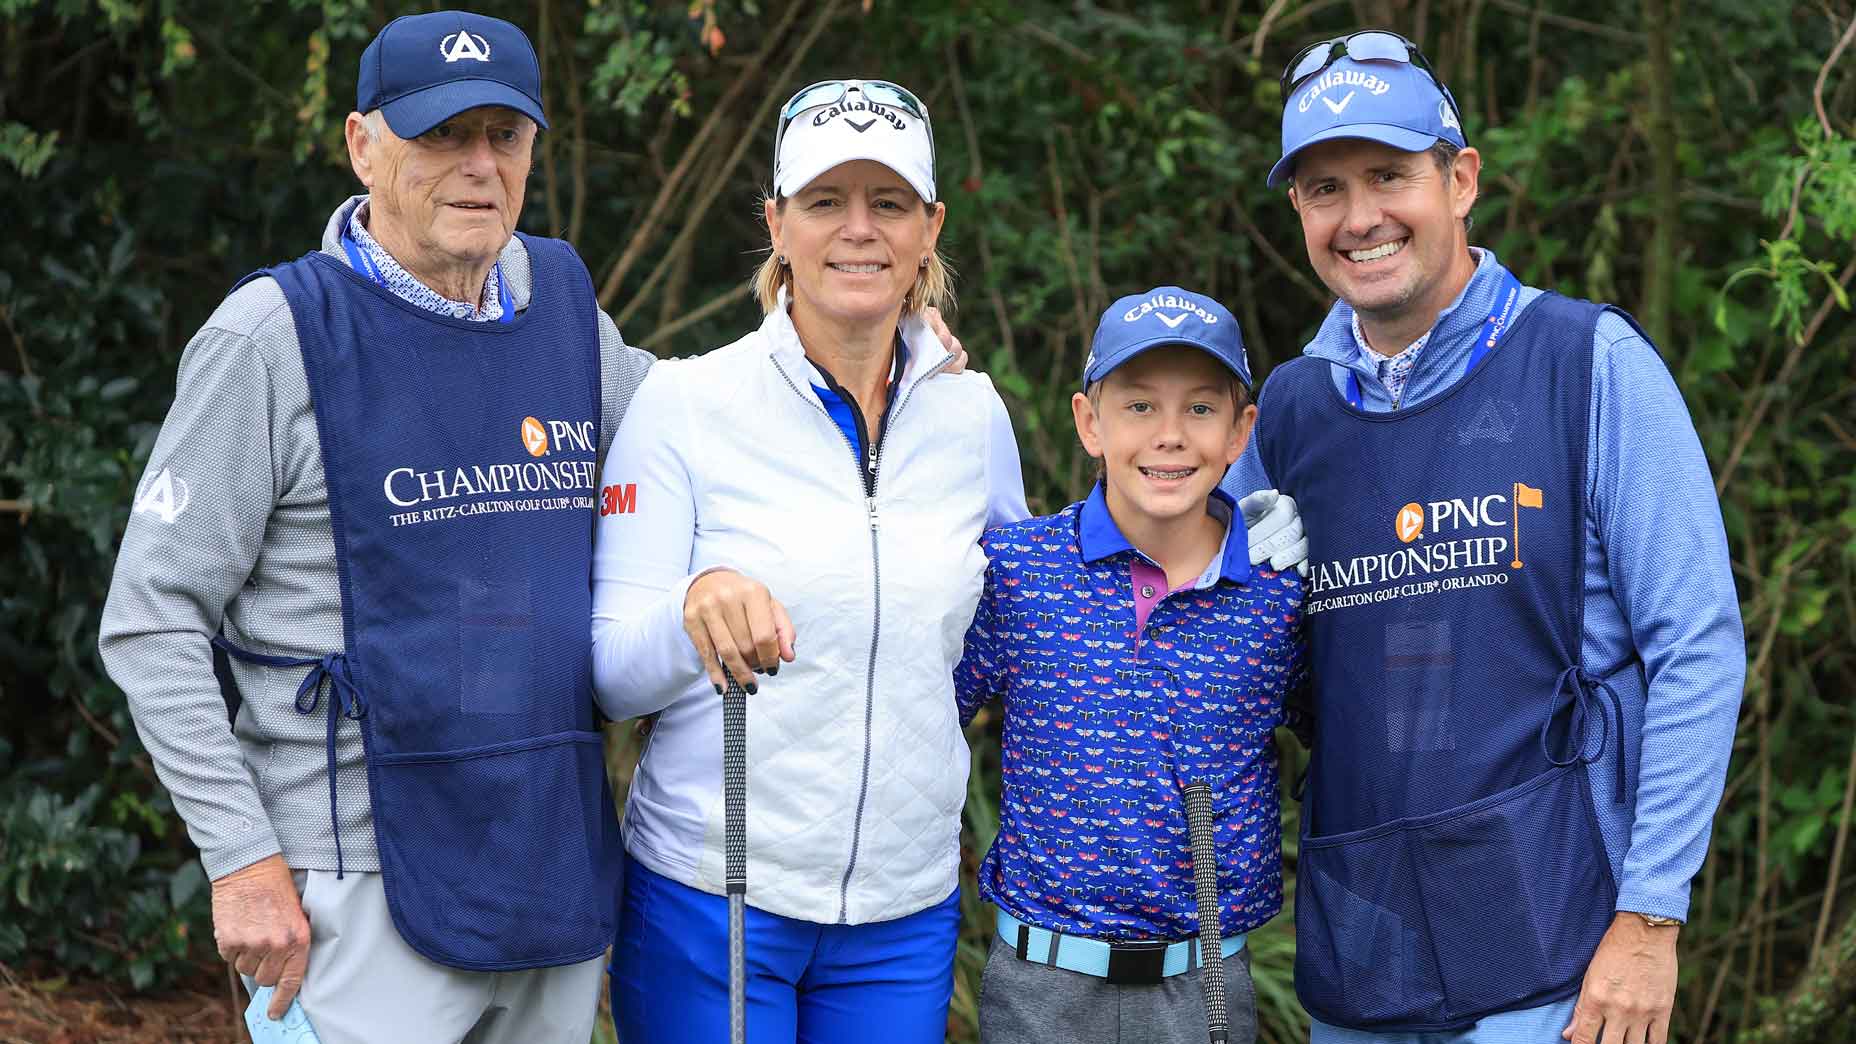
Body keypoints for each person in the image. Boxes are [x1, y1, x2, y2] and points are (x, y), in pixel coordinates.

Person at [98, 13, 646, 1043]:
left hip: (548, 861)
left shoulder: (569, 315)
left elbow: (708, 440)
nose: (478, 164)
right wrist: (242, 859)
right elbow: (151, 618)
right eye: (441, 133)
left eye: (504, 135)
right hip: (349, 879)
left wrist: (881, 352)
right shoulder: (272, 338)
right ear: (361, 144)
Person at [1221, 30, 1745, 1044]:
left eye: (1388, 175)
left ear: (1459, 181)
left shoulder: (1585, 363)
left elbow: (1697, 648)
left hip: (1558, 946)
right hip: (1363, 948)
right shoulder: (1282, 415)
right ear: (1298, 213)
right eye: (1325, 189)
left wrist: (1650, 919)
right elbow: (1204, 649)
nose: (1359, 217)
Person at [589, 78, 1026, 1044]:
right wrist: (694, 606)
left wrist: (1215, 532)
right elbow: (610, 677)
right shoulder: (686, 403)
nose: (858, 229)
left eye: (889, 203)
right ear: (777, 224)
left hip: (903, 910)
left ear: (930, 228)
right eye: (826, 201)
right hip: (714, 896)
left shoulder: (973, 416)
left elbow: (1018, 622)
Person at [958, 288, 1307, 1044]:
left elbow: (1350, 748)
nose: (1170, 436)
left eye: (1201, 409)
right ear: (1090, 422)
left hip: (1204, 984)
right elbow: (916, 716)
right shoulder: (1016, 572)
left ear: (1241, 430)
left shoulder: (1279, 594)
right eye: (1140, 406)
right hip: (1041, 988)